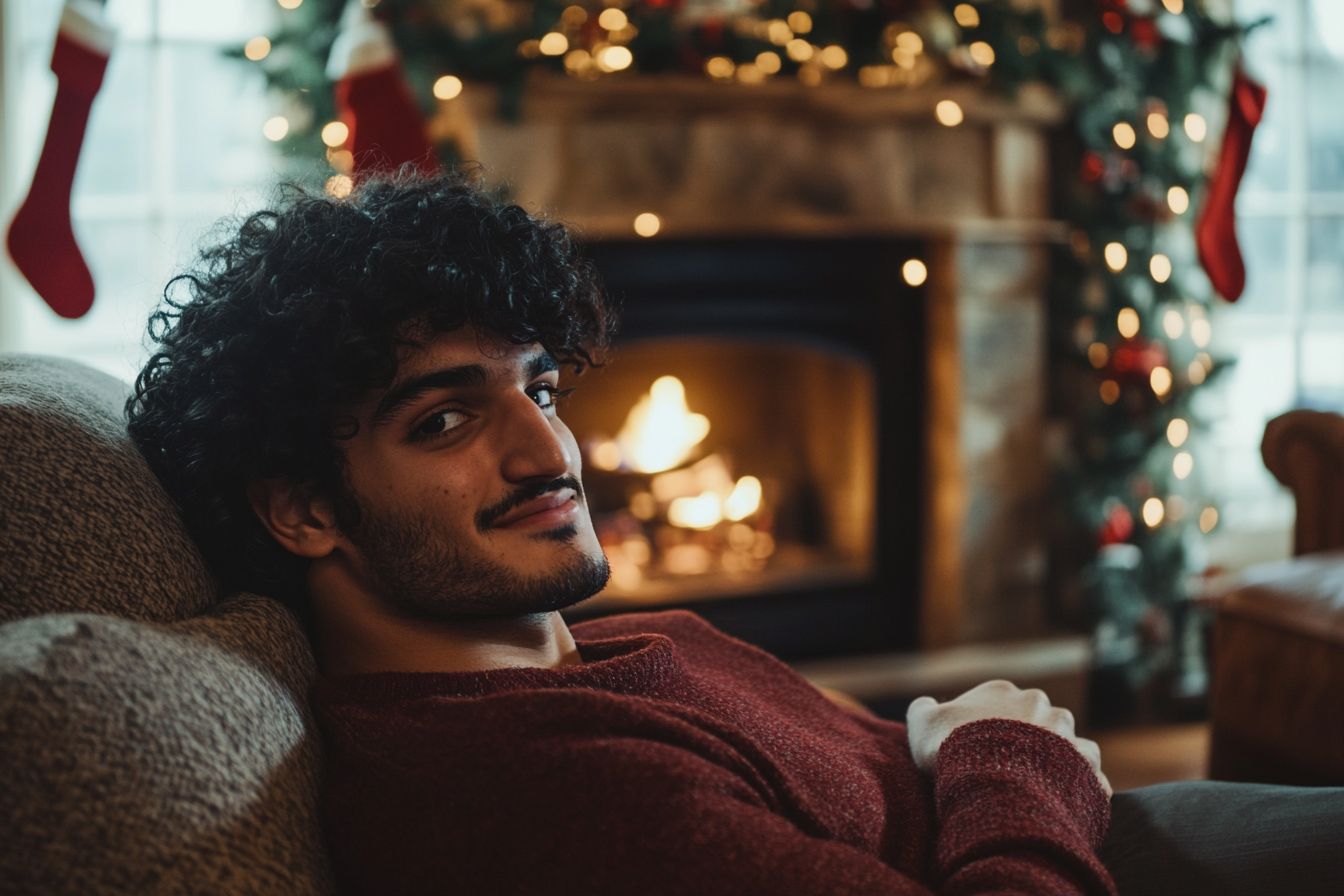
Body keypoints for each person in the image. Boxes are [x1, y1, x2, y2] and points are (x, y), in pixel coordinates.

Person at [126, 171, 1344, 896]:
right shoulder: (540, 787)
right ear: (302, 510)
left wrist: (966, 750)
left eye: (540, 387)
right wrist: (999, 753)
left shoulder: (593, 653)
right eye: (444, 417)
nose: (551, 452)